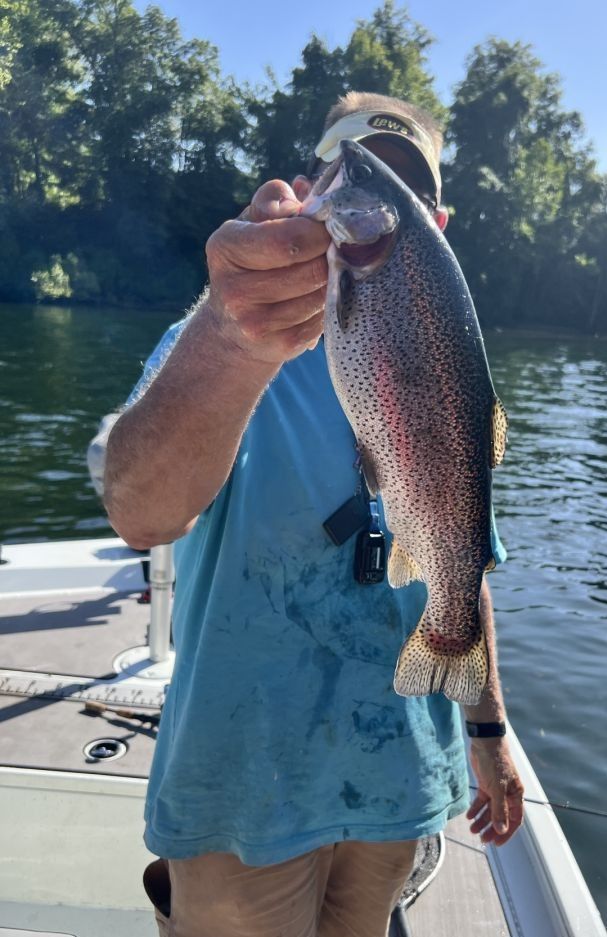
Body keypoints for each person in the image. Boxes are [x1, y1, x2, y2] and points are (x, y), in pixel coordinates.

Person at [102, 91, 524, 937]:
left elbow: (458, 556)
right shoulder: (226, 333)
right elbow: (139, 514)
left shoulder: (450, 375)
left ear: (432, 223)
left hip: (399, 777)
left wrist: (488, 729)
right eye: (351, 170)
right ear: (306, 189)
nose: (370, 199)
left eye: (402, 194)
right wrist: (232, 336)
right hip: (242, 786)